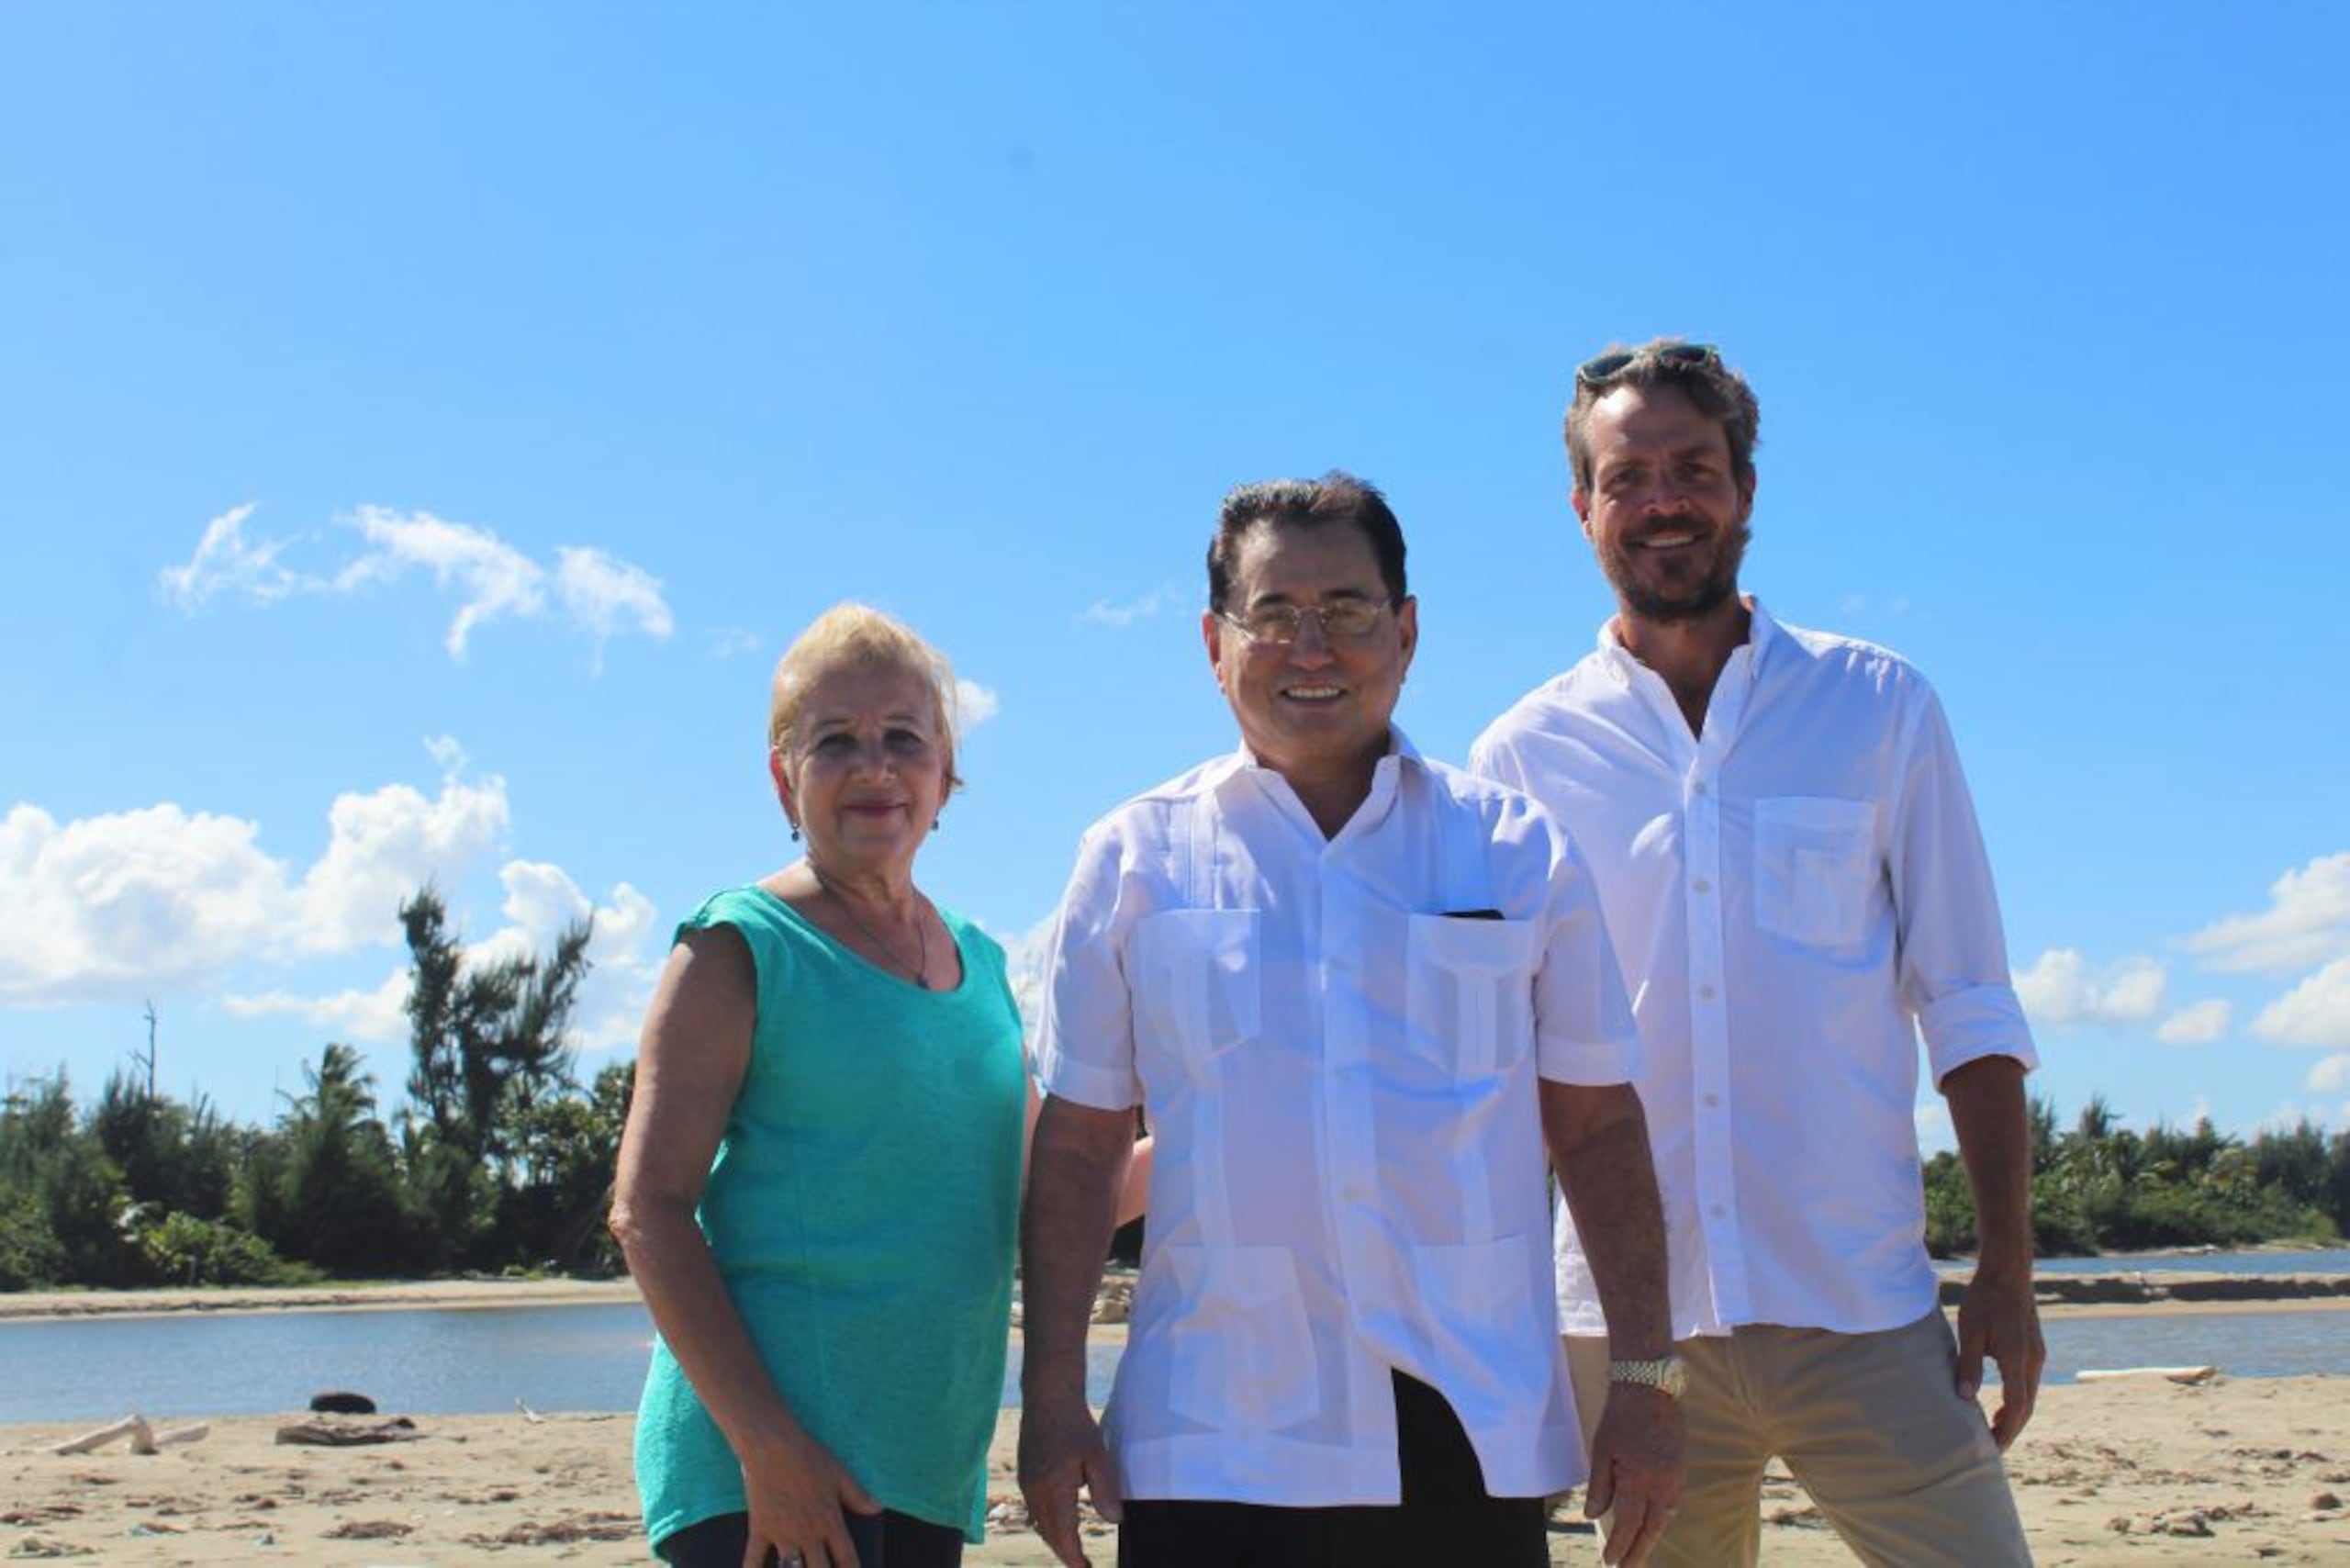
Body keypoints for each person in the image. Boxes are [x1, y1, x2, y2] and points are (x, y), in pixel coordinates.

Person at [1019, 473, 1684, 1568]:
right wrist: (1051, 1400)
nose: (1310, 647)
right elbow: (1081, 1147)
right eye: (1273, 614)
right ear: (1213, 641)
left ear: (1406, 629)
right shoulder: (1133, 860)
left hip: (1466, 1426)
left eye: (1346, 610)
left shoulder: (1515, 851)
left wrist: (1646, 1381)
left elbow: (1600, 1129)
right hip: (1209, 1438)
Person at [1470, 340, 2044, 1567]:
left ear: (1744, 490)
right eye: (1629, 477)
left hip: (1862, 1303)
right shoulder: (1519, 758)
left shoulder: (1880, 710)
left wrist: (2006, 1270)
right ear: (1583, 509)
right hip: (1625, 1339)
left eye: (1695, 467)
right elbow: (1497, 1069)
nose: (1664, 501)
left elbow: (1970, 1002)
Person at [611, 604, 1147, 1568]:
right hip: (763, 1477)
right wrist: (767, 1448)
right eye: (836, 742)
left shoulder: (981, 967)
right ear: (785, 776)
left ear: (946, 774)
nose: (874, 766)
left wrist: (1234, 1129)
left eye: (903, 738)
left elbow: (1048, 1193)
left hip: (922, 1467)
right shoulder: (740, 946)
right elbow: (647, 1209)